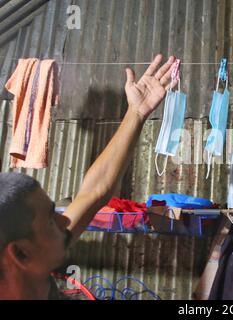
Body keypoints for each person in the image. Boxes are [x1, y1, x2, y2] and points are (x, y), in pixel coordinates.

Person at [0, 54, 177, 299]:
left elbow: (94, 192)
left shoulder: (35, 272)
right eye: (51, 220)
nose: (66, 221)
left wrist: (136, 113)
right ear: (20, 253)